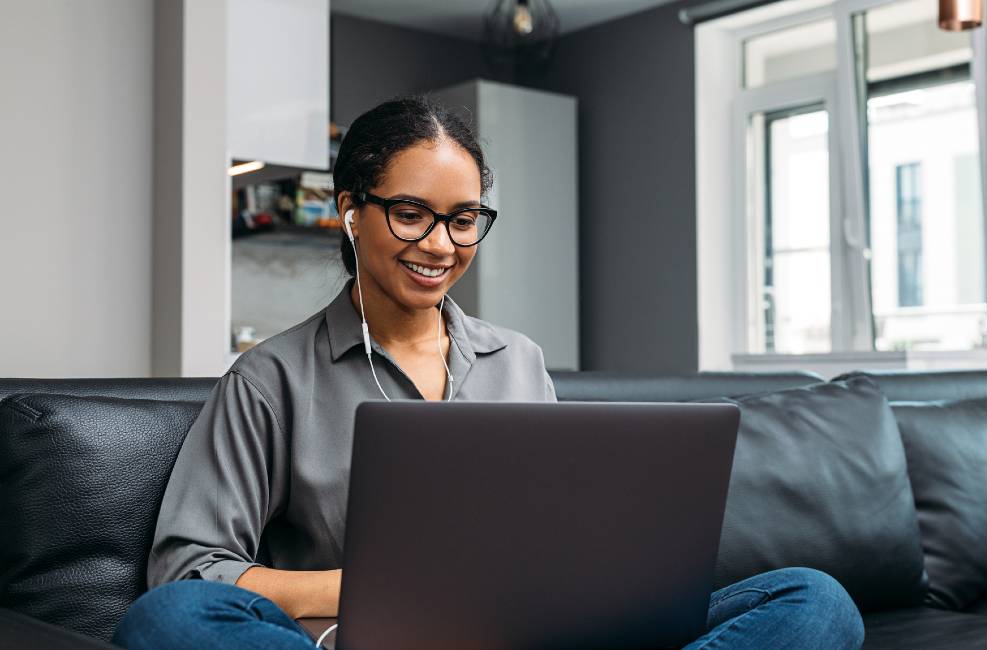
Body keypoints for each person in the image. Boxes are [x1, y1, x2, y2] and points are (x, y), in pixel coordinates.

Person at [114, 96, 865, 650]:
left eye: (463, 217)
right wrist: (385, 589)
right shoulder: (270, 378)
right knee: (168, 623)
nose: (440, 244)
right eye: (411, 213)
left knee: (816, 602)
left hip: (537, 638)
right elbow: (187, 571)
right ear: (350, 211)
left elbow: (568, 536)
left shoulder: (520, 361)